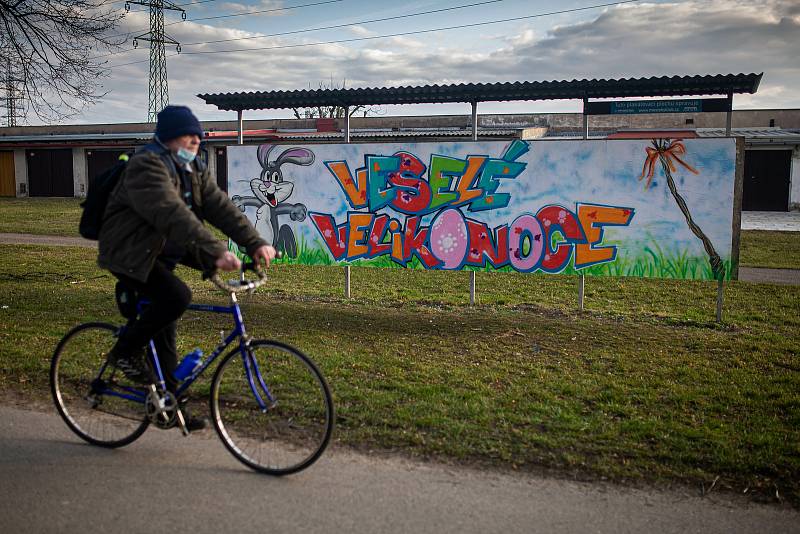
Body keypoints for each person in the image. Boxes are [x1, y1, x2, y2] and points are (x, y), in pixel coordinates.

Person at [97, 105, 275, 430]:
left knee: (165, 326)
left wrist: (254, 243)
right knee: (176, 296)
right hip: (130, 252)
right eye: (187, 134)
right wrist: (215, 251)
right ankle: (123, 353)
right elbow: (170, 213)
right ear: (167, 137)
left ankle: (169, 407)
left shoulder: (194, 169)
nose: (195, 140)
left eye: (198, 135)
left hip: (163, 250)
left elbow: (221, 208)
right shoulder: (146, 166)